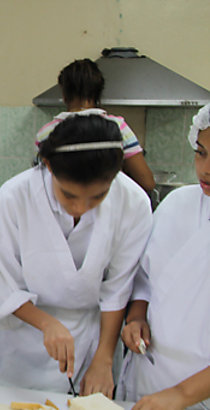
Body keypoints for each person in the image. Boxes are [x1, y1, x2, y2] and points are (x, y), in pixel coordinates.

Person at [0, 114, 152, 397]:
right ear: (48, 166)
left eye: (98, 196)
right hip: (25, 337)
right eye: (69, 195)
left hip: (96, 337)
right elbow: (1, 284)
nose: (81, 207)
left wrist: (104, 358)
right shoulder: (14, 198)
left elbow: (118, 287)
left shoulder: (131, 202)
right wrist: (46, 323)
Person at [117, 103, 210, 409]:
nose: (206, 168)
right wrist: (137, 316)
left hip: (199, 392)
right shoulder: (177, 205)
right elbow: (146, 277)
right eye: (201, 152)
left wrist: (182, 395)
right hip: (150, 376)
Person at [35, 58, 156, 193]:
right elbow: (147, 183)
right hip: (108, 208)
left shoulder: (46, 133)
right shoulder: (118, 127)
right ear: (98, 93)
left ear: (64, 94)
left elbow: (43, 185)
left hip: (63, 210)